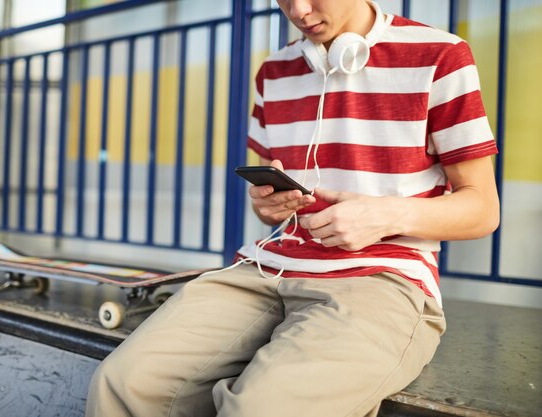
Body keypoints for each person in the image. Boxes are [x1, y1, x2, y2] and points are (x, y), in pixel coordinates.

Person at [85, 0, 500, 416]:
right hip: (266, 269)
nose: (298, 11)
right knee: (121, 385)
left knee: (259, 410)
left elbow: (483, 208)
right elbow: (269, 201)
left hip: (383, 278)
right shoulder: (274, 71)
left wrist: (388, 215)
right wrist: (269, 208)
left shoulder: (442, 56)